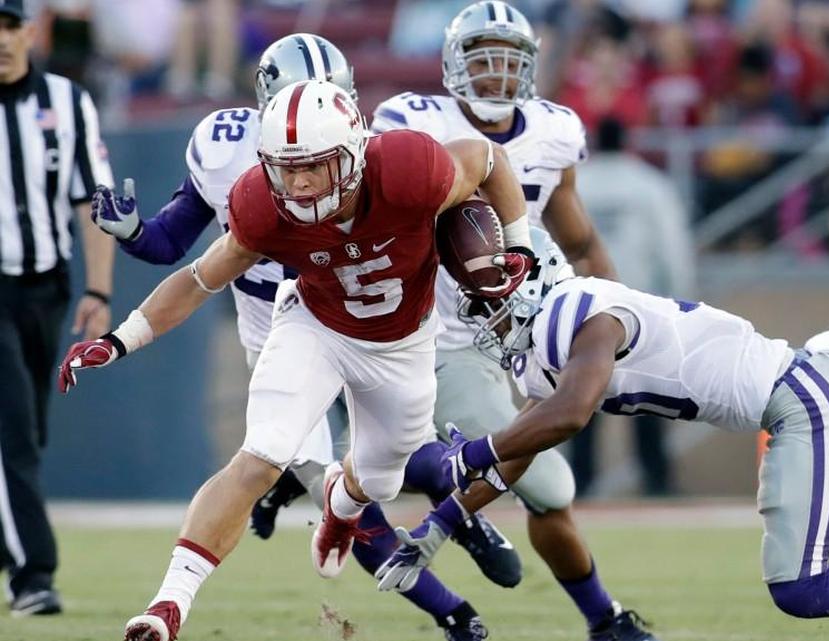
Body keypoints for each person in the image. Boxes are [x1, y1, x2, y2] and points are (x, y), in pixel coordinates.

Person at [376, 231, 829, 641]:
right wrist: (441, 522)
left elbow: (571, 413)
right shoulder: (541, 353)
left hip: (799, 400)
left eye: (488, 298)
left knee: (799, 585)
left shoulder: (576, 310)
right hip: (802, 392)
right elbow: (521, 448)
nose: (483, 317)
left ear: (529, 278)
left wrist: (468, 452)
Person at [58, 78, 534, 641]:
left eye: (315, 165)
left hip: (403, 346)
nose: (300, 182)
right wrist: (119, 340)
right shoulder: (261, 203)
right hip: (315, 327)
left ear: (355, 152)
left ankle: (340, 505)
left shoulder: (408, 167)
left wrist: (519, 248)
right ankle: (167, 606)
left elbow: (488, 158)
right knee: (263, 454)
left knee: (379, 482)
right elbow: (197, 279)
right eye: (286, 168)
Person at [370, 4, 654, 640]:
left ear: (531, 67)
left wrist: (612, 317)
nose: (496, 75)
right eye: (482, 59)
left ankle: (603, 619)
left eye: (509, 61)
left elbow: (579, 242)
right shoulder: (415, 122)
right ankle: (459, 507)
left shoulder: (553, 131)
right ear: (453, 65)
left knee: (550, 497)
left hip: (532, 329)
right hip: (450, 333)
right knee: (546, 480)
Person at [0, 0, 115, 616]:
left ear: (29, 30)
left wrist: (98, 292)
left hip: (46, 287)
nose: (2, 39)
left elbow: (91, 200)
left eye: (10, 25)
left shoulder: (68, 103)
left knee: (31, 433)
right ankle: (33, 576)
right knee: (12, 433)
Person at [571, 117, 695, 497]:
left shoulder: (575, 185)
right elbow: (673, 251)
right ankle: (657, 487)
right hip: (641, 311)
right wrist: (683, 304)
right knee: (649, 404)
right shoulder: (650, 185)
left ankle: (578, 488)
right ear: (628, 140)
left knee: (580, 402)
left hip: (584, 310)